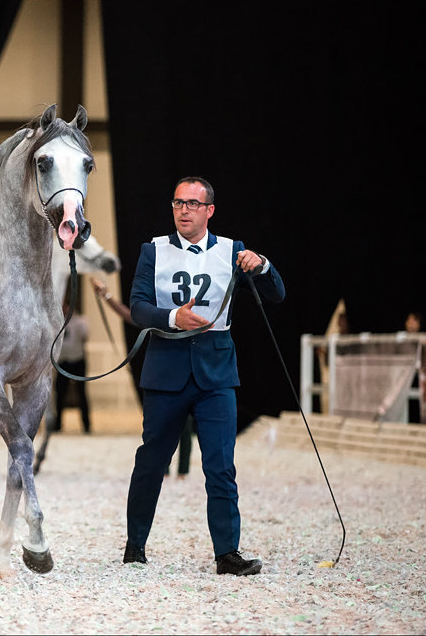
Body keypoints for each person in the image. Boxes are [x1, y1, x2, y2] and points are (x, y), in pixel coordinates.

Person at [122, 176, 285, 576]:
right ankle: (135, 546)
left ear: (209, 210)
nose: (184, 210)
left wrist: (262, 266)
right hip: (166, 369)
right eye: (178, 203)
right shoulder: (153, 251)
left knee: (220, 465)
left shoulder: (233, 251)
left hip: (215, 373)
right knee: (151, 461)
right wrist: (172, 316)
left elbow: (276, 294)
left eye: (193, 204)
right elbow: (138, 306)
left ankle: (227, 553)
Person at [91, 276, 195, 480]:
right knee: (159, 424)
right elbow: (128, 315)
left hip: (183, 371)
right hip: (161, 373)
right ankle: (163, 469)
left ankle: (182, 471)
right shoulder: (158, 316)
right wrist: (106, 295)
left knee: (185, 425)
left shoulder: (188, 316)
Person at [54, 301, 92, 434]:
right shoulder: (57, 321)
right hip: (63, 362)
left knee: (82, 393)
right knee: (59, 392)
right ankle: (58, 424)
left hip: (77, 360)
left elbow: (85, 336)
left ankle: (87, 425)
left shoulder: (80, 321)